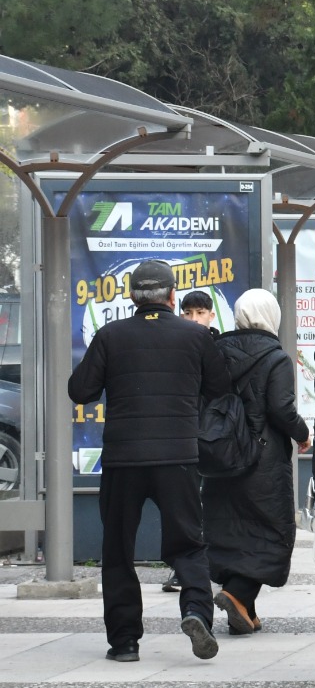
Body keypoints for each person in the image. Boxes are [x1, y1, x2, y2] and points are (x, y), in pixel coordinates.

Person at [68, 259, 228, 663]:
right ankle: (195, 611)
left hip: (124, 459)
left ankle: (125, 643)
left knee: (118, 548)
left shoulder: (110, 335)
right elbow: (220, 388)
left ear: (131, 296)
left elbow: (81, 390)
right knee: (189, 543)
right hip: (177, 456)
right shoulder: (195, 336)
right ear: (172, 297)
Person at [204, 289, 310, 636]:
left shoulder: (217, 351)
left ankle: (245, 613)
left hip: (224, 455)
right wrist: (302, 433)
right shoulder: (275, 356)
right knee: (271, 529)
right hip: (263, 459)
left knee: (234, 527)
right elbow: (280, 408)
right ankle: (237, 594)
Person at [163, 288, 221, 595]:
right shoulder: (175, 343)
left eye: (200, 313)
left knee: (210, 502)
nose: (194, 319)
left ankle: (209, 565)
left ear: (211, 316)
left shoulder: (219, 344)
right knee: (186, 506)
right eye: (188, 313)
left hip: (213, 434)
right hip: (184, 433)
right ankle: (181, 569)